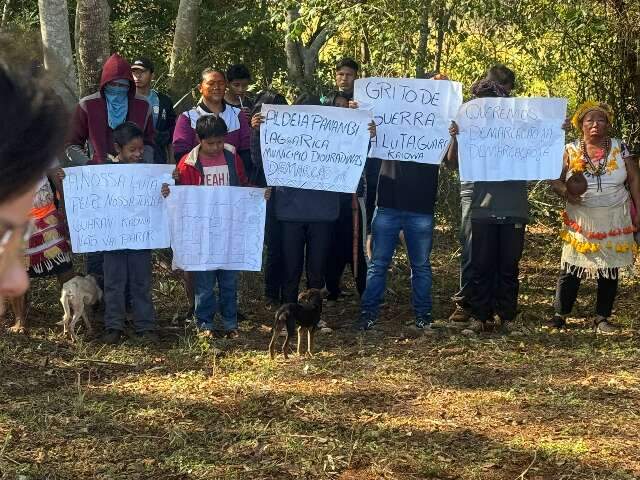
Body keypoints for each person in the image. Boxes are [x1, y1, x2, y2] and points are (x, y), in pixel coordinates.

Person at [357, 74, 453, 332]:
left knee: (420, 266)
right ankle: (368, 315)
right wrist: (359, 118)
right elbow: (359, 138)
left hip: (420, 208)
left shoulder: (439, 125)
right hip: (387, 203)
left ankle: (423, 315)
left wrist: (453, 132)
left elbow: (451, 160)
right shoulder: (387, 122)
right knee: (378, 265)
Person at [164, 115, 264, 338]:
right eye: (211, 143)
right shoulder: (187, 164)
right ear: (199, 139)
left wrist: (257, 195)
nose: (216, 147)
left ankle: (230, 323)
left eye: (220, 141)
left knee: (229, 281)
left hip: (229, 231)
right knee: (204, 284)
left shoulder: (231, 155)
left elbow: (242, 183)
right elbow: (182, 196)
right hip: (202, 235)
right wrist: (170, 192)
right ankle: (205, 324)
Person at [65, 53, 156, 286]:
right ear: (104, 85)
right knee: (98, 241)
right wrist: (88, 165)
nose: (118, 90)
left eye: (123, 86)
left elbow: (150, 143)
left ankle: (127, 300)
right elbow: (71, 144)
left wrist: (142, 168)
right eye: (113, 85)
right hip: (97, 185)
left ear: (130, 86)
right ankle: (97, 298)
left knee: (130, 241)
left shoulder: (142, 106)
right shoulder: (88, 105)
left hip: (133, 187)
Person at [548, 101, 640, 332]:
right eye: (589, 120)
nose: (595, 124)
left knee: (609, 267)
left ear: (608, 124)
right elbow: (554, 179)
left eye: (601, 119)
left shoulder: (621, 148)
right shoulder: (569, 149)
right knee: (571, 265)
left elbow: (634, 179)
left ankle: (602, 318)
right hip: (581, 217)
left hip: (615, 215)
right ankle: (560, 315)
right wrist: (566, 193)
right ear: (580, 124)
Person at [448, 65, 516, 324]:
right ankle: (467, 303)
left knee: (500, 252)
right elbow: (451, 161)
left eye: (502, 92)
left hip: (504, 191)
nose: (496, 98)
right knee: (472, 249)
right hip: (473, 188)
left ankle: (497, 306)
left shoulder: (514, 117)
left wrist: (555, 127)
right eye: (492, 89)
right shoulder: (468, 113)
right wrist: (455, 135)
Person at [0, 61, 67, 320]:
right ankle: (20, 319)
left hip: (43, 207)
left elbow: (53, 168)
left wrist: (65, 200)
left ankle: (72, 309)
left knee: (61, 260)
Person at [100, 122, 159, 344]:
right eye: (132, 150)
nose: (137, 154)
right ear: (118, 148)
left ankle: (145, 325)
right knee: (113, 281)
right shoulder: (103, 171)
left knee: (141, 280)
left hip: (140, 236)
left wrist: (164, 187)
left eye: (140, 150)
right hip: (112, 237)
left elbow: (159, 196)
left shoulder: (148, 172)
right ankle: (113, 325)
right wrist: (69, 178)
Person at [322, 91, 368, 305]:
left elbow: (369, 150)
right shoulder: (319, 131)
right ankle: (332, 288)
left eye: (345, 106)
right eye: (336, 106)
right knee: (331, 244)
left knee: (356, 242)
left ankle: (364, 290)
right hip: (328, 198)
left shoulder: (357, 130)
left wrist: (368, 131)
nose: (341, 110)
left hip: (352, 198)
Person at [249, 90, 288, 308]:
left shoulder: (293, 129)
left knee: (289, 245)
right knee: (274, 244)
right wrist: (256, 131)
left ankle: (288, 290)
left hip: (291, 196)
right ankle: (272, 293)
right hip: (269, 194)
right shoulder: (256, 130)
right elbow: (256, 160)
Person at [173, 68, 251, 166]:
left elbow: (246, 150)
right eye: (211, 83)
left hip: (233, 177)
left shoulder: (237, 115)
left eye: (221, 83)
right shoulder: (187, 118)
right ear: (200, 88)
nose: (217, 87)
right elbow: (181, 154)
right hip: (198, 179)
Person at [131, 56, 177, 164]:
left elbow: (171, 134)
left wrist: (172, 161)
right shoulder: (125, 100)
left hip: (158, 159)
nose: (137, 76)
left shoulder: (164, 101)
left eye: (142, 72)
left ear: (152, 75)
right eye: (134, 72)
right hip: (130, 161)